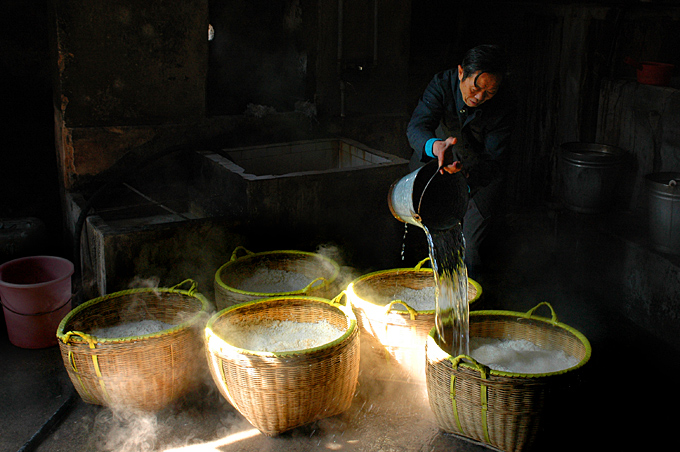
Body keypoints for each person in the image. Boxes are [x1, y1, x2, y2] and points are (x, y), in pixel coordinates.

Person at [406, 44, 514, 279]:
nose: (479, 97)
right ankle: (428, 292)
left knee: (472, 245)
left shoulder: (503, 104)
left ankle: (469, 303)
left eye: (489, 93)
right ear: (461, 72)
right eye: (476, 87)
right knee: (426, 230)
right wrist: (435, 146)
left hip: (480, 173)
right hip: (439, 160)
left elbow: (495, 159)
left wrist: (466, 176)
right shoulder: (442, 84)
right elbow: (417, 126)